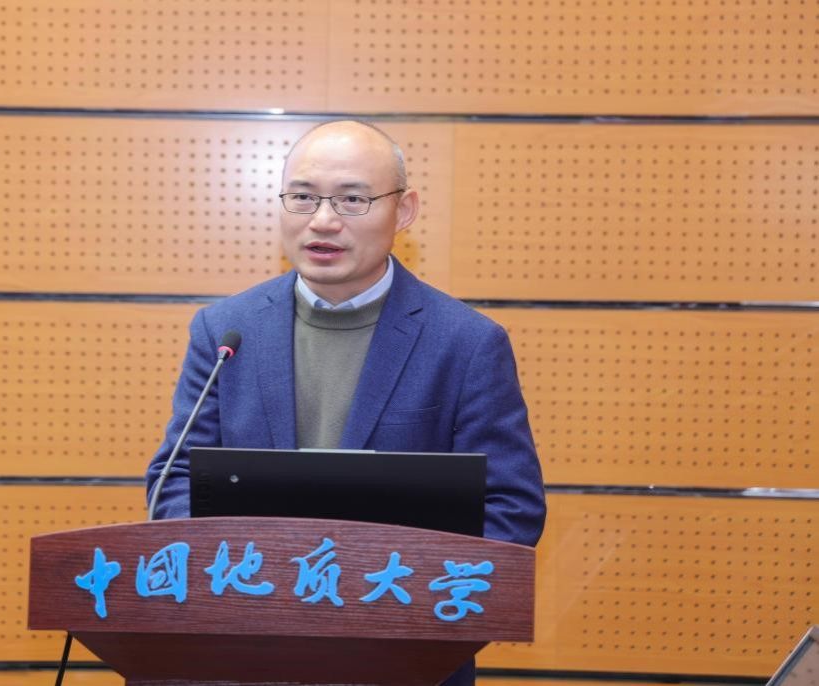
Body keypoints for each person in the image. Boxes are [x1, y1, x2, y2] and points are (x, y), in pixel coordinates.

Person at [145, 120, 545, 686]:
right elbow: (175, 481)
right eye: (303, 197)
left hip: (402, 655)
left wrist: (385, 598)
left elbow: (510, 508)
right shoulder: (226, 331)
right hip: (244, 651)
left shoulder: (466, 343)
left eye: (352, 199)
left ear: (404, 211)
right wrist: (254, 590)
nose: (323, 220)